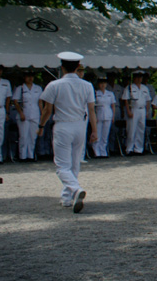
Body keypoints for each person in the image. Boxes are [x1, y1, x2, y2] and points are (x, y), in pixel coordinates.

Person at [37, 52, 97, 213]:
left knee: (62, 166)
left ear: (62, 67)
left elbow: (47, 110)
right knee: (74, 162)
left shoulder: (54, 85)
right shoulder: (87, 85)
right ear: (78, 67)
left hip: (63, 125)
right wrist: (95, 130)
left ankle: (75, 189)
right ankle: (67, 197)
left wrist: (41, 126)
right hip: (80, 125)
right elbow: (91, 109)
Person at [11, 71, 42, 162]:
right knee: (24, 136)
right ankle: (22, 156)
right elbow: (16, 101)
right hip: (24, 114)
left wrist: (42, 114)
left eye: (32, 76)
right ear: (24, 78)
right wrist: (20, 113)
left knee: (33, 136)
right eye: (28, 76)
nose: (30, 78)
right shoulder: (20, 88)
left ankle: (31, 155)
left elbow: (40, 102)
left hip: (35, 113)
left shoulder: (38, 88)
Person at [121, 70, 151, 155]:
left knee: (141, 130)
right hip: (133, 109)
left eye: (140, 77)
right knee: (131, 130)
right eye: (137, 77)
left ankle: (139, 149)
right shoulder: (129, 87)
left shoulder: (145, 88)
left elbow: (148, 100)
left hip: (142, 110)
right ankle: (129, 149)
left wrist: (147, 111)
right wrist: (128, 111)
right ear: (134, 78)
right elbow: (126, 101)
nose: (139, 79)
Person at [93, 75, 117, 158]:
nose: (103, 85)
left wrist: (113, 116)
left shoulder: (110, 93)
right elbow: (93, 106)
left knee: (105, 135)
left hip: (108, 114)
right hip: (99, 114)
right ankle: (96, 151)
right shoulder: (96, 93)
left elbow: (113, 105)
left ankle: (103, 152)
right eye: (101, 83)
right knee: (98, 134)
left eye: (104, 83)